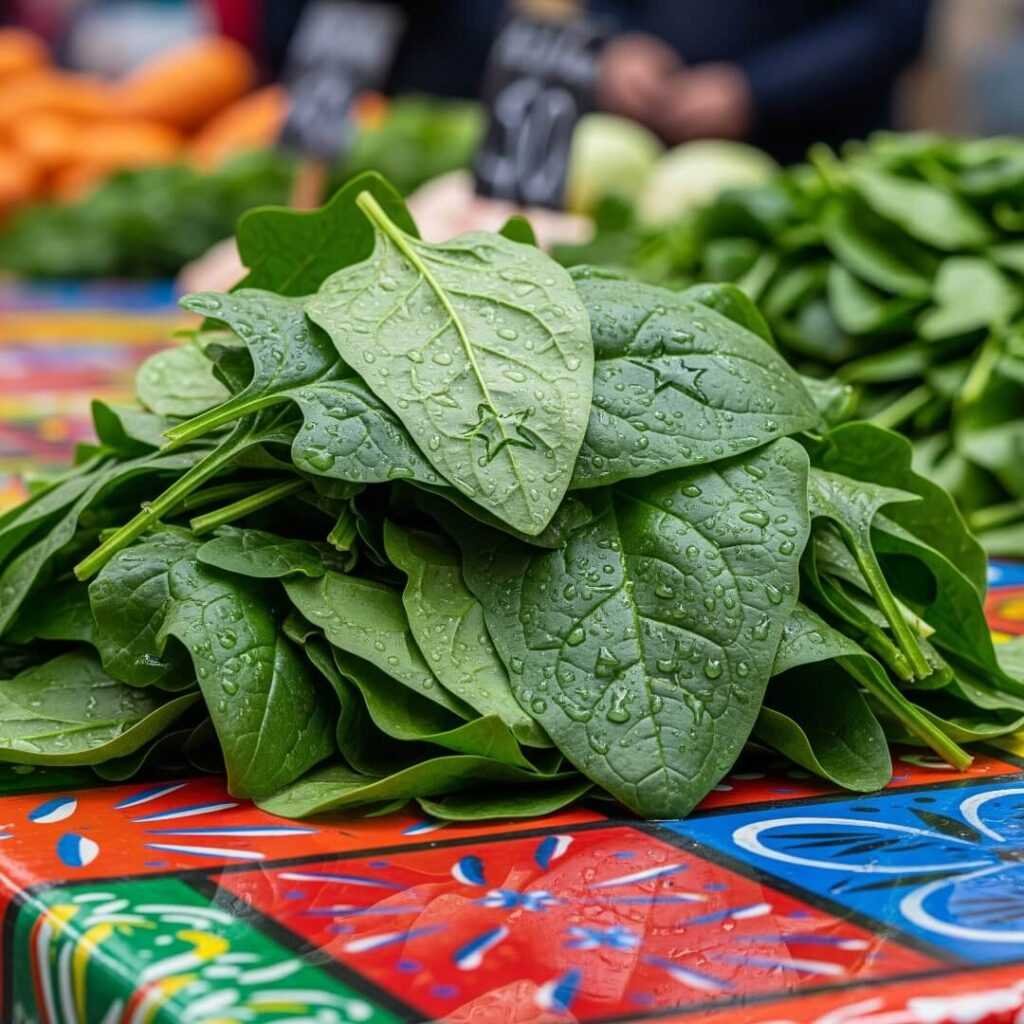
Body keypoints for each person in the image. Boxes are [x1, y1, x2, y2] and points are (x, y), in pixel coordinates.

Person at [593, 0, 934, 163]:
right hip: (647, 149)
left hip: (816, 169)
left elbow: (893, 27)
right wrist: (619, 40)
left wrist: (757, 92)